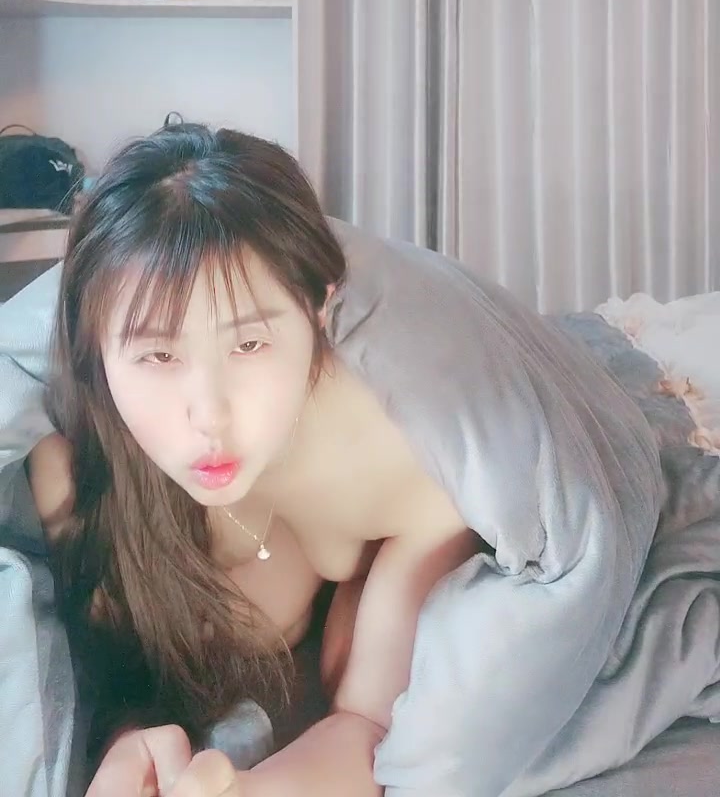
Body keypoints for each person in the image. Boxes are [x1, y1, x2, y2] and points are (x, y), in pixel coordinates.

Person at [26, 121, 686, 797]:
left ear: (318, 311)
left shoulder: (409, 461)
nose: (209, 415)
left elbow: (369, 726)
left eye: (248, 345)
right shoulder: (74, 479)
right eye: (159, 356)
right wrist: (129, 744)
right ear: (96, 348)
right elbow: (117, 673)